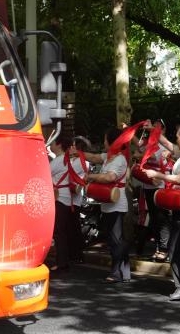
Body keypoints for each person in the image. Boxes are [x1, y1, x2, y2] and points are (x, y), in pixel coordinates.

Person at [144, 122, 180, 301]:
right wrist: (152, 130)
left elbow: (179, 178)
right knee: (178, 246)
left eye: (178, 136)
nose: (176, 140)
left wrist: (157, 175)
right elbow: (167, 144)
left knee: (179, 246)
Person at [83, 127, 131, 283]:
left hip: (117, 204)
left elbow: (110, 177)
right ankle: (124, 271)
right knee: (112, 238)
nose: (104, 142)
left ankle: (117, 272)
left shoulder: (119, 159)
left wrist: (91, 176)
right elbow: (94, 157)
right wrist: (79, 153)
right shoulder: (109, 157)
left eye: (105, 139)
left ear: (112, 141)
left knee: (115, 239)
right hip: (108, 203)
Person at [134, 120, 173, 261]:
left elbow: (151, 156)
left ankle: (165, 249)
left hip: (160, 186)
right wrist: (129, 131)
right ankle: (158, 247)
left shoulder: (164, 145)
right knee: (154, 219)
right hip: (148, 185)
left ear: (163, 130)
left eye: (157, 127)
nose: (154, 129)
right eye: (153, 127)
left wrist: (140, 155)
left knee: (162, 218)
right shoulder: (148, 143)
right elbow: (138, 148)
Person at [49, 133, 88, 272]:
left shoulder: (59, 161)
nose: (51, 145)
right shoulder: (66, 160)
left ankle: (61, 262)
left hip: (59, 198)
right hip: (67, 198)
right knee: (64, 230)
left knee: (59, 232)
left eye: (53, 143)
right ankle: (65, 260)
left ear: (59, 144)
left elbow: (44, 174)